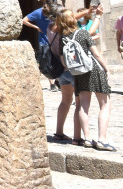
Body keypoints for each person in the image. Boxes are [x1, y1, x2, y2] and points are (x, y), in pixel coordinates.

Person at [65, 7, 115, 151]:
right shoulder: (82, 33)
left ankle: (87, 138)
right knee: (105, 105)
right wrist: (106, 68)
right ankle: (102, 140)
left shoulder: (64, 37)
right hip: (93, 69)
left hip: (79, 72)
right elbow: (97, 54)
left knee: (83, 105)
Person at [47, 8, 80, 144]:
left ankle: (59, 132)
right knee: (79, 103)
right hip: (72, 70)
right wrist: (97, 17)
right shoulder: (66, 33)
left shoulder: (49, 28)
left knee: (65, 102)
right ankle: (78, 137)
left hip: (60, 71)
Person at [23, 0, 60, 91]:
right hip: (47, 40)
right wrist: (37, 27)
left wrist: (37, 28)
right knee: (49, 61)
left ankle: (56, 81)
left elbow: (24, 20)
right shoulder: (38, 12)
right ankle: (52, 83)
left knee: (51, 61)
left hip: (51, 40)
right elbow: (24, 20)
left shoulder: (48, 11)